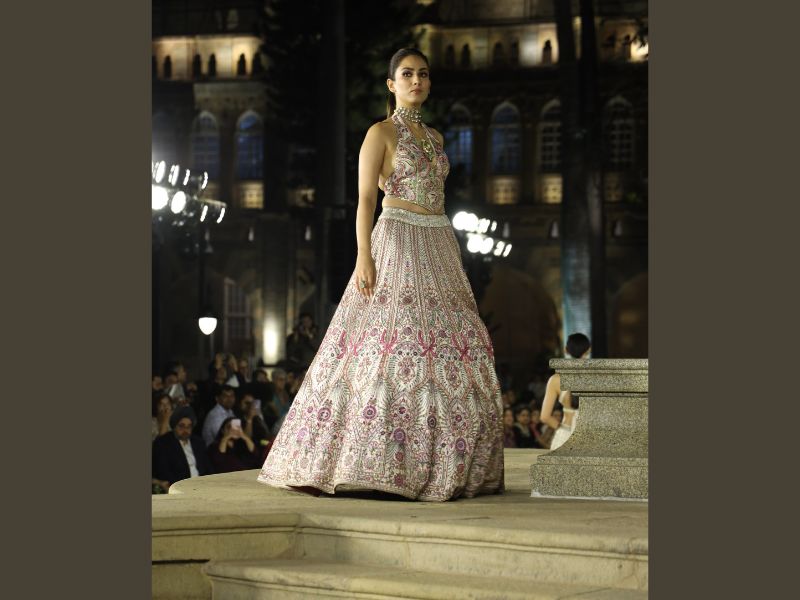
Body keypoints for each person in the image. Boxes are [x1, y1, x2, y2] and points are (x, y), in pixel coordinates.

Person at [257, 48, 504, 501]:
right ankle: (372, 459)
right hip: (397, 237)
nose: (416, 81)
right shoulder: (380, 133)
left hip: (439, 240)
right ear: (391, 84)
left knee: (453, 344)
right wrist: (364, 255)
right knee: (395, 341)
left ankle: (439, 458)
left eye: (423, 74)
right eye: (407, 74)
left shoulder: (436, 137)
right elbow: (365, 201)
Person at [541, 333, 592, 451]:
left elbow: (544, 417)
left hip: (565, 434)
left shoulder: (555, 380)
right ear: (588, 351)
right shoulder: (595, 378)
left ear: (566, 350)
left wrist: (561, 429)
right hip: (587, 437)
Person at [152, 406, 212, 491]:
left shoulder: (198, 442)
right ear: (174, 426)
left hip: (202, 486)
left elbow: (208, 467)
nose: (185, 430)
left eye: (189, 426)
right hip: (180, 488)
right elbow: (163, 472)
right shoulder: (163, 443)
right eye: (181, 426)